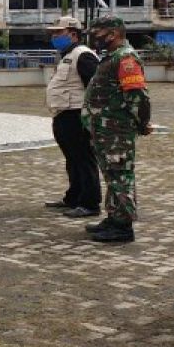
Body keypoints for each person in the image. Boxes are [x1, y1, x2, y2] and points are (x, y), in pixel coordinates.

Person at [81, 16, 152, 243]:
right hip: (105, 130)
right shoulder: (111, 57)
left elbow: (137, 95)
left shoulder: (126, 58)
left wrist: (141, 123)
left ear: (112, 34)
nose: (94, 37)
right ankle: (113, 218)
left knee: (121, 176)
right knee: (112, 176)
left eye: (97, 32)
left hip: (116, 131)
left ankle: (123, 227)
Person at [43, 16, 101, 217]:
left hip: (77, 115)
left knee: (84, 159)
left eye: (58, 33)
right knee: (72, 159)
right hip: (64, 114)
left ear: (73, 34)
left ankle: (90, 203)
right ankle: (74, 197)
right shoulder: (67, 55)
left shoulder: (83, 55)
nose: (54, 36)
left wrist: (91, 117)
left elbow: (95, 88)